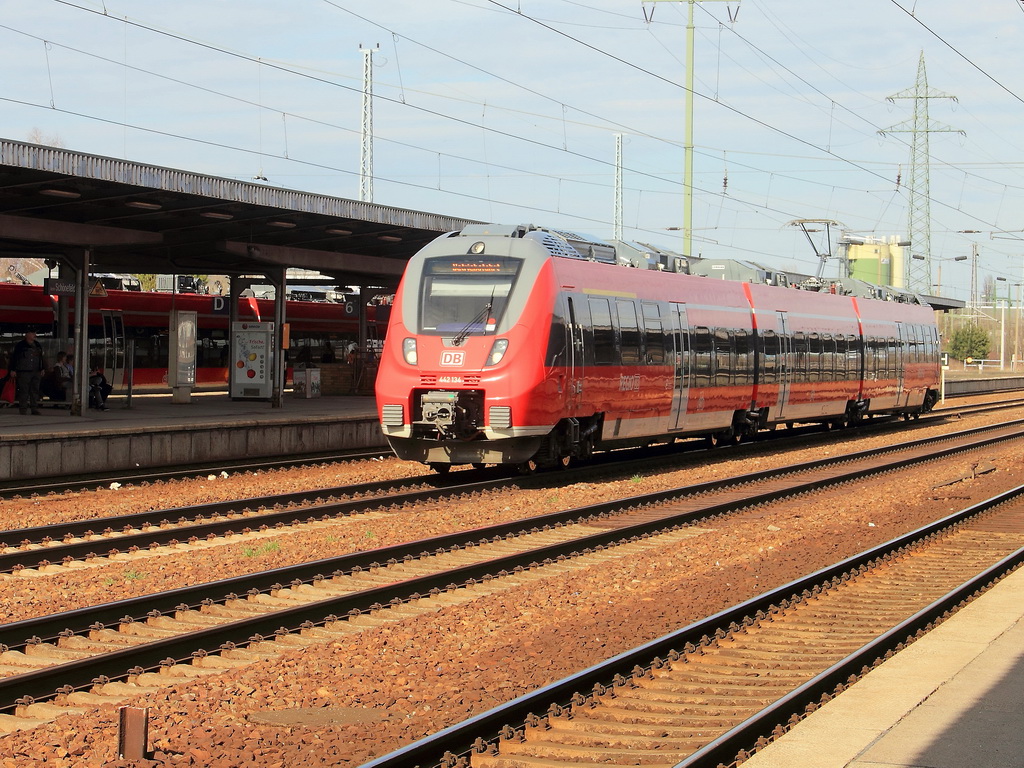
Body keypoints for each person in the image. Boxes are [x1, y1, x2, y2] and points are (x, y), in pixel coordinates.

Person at [10, 330, 46, 415]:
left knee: (35, 390)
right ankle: (23, 409)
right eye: (32, 333)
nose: (34, 335)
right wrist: (13, 369)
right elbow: (15, 358)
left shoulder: (37, 345)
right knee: (24, 390)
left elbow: (41, 358)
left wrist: (42, 368)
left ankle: (34, 408)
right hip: (24, 371)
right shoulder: (20, 345)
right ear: (27, 334)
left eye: (35, 333)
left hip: (36, 371)